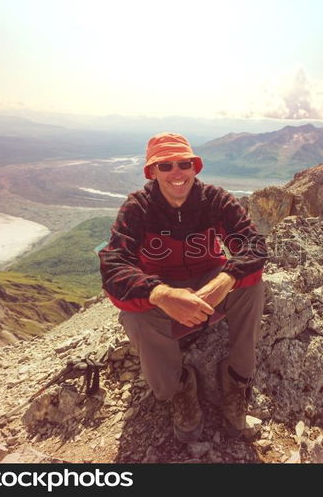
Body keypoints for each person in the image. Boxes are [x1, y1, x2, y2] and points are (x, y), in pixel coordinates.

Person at [99, 132, 266, 442]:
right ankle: (178, 388)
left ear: (195, 167)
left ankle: (237, 379)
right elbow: (113, 264)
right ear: (152, 172)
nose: (177, 173)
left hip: (209, 280)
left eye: (184, 164)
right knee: (134, 316)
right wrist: (161, 294)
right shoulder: (138, 208)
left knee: (251, 288)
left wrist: (225, 279)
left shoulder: (215, 200)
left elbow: (253, 246)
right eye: (166, 166)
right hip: (161, 286)